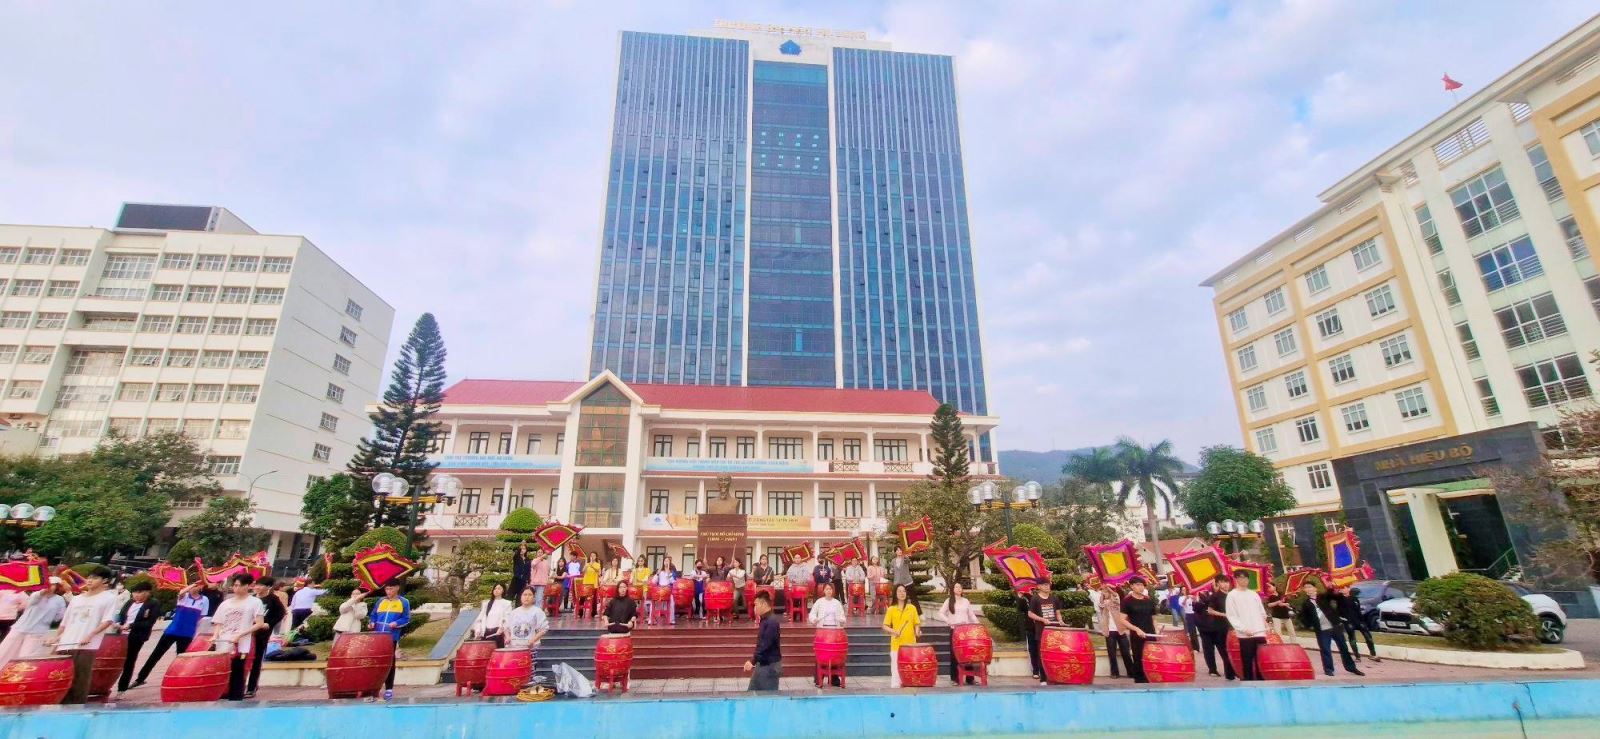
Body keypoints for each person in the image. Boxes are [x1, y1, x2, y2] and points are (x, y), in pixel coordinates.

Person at [48, 566, 119, 703]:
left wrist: (90, 636)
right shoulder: (77, 599)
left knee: (80, 678)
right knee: (60, 676)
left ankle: (76, 706)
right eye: (90, 577)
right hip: (66, 643)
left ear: (105, 581)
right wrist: (56, 637)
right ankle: (57, 704)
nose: (90, 580)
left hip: (86, 645)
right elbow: (65, 621)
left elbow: (107, 620)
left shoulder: (109, 598)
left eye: (95, 578)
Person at [132, 581, 208, 688]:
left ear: (201, 586)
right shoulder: (184, 596)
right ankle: (141, 678)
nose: (193, 588)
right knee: (156, 655)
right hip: (172, 631)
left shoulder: (204, 600)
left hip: (187, 633)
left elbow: (202, 616)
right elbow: (181, 593)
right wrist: (191, 585)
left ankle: (180, 680)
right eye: (192, 585)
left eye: (197, 586)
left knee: (181, 659)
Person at [209, 573, 266, 702]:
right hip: (224, 642)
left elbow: (259, 623)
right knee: (222, 670)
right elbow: (218, 622)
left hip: (241, 643)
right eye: (234, 585)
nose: (236, 588)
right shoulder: (226, 603)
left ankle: (235, 698)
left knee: (237, 671)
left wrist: (240, 634)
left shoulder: (255, 602)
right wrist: (215, 636)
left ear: (248, 586)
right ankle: (220, 695)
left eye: (239, 585)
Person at [1297, 583, 1364, 677]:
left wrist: (1331, 588)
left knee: (1344, 648)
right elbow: (1303, 617)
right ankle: (1328, 669)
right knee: (1325, 649)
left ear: (1315, 588)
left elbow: (1333, 596)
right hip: (1322, 630)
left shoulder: (1322, 597)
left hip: (1335, 626)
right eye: (1305, 587)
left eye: (1309, 587)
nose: (1308, 589)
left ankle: (1351, 668)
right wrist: (1310, 625)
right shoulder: (1306, 603)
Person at [0, 578, 66, 672]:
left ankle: (18, 676)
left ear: (57, 586)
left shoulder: (59, 600)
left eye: (53, 585)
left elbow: (59, 616)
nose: (50, 587)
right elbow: (33, 600)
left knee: (26, 656)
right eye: (48, 584)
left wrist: (48, 619)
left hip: (38, 632)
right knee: (5, 650)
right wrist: (43, 592)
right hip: (20, 627)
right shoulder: (36, 595)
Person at [245, 576, 287, 697]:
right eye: (256, 584)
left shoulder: (273, 599)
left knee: (256, 660)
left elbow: (281, 613)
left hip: (262, 634)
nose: (257, 587)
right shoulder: (251, 599)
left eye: (261, 585)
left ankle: (252, 687)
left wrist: (269, 623)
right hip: (247, 633)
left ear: (268, 587)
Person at [370, 579, 411, 701]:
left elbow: (406, 618)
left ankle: (389, 689)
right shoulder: (380, 601)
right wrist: (372, 622)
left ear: (397, 588)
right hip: (378, 636)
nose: (388, 591)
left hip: (391, 637)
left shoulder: (404, 602)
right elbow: (373, 615)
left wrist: (396, 623)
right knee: (376, 662)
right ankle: (374, 688)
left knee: (390, 662)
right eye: (386, 589)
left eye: (391, 589)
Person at [114, 581, 159, 693]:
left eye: (140, 592)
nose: (136, 595)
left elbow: (149, 623)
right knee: (116, 660)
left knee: (129, 661)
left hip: (136, 636)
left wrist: (131, 625)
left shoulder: (153, 604)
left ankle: (122, 688)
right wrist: (118, 624)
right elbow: (121, 615)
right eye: (134, 592)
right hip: (121, 635)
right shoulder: (129, 602)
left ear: (147, 593)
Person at [1224, 573, 1270, 681]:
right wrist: (1243, 629)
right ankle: (1248, 681)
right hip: (1245, 634)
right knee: (1247, 660)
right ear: (1236, 579)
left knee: (1260, 659)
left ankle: (1261, 681)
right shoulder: (1232, 595)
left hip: (1259, 632)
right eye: (1241, 578)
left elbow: (1261, 611)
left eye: (1246, 578)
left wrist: (1265, 622)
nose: (1244, 580)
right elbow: (1231, 615)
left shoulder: (1254, 594)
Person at [938, 582, 980, 685]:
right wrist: (948, 621)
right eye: (956, 587)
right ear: (953, 589)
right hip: (955, 630)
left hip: (966, 631)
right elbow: (940, 613)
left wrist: (978, 624)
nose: (958, 588)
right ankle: (955, 678)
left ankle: (970, 678)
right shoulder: (949, 601)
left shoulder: (966, 601)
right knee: (954, 654)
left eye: (960, 587)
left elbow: (971, 615)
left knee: (968, 654)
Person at [1116, 579, 1157, 684]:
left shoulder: (1148, 600)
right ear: (1132, 586)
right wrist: (1136, 629)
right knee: (1139, 658)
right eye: (1138, 585)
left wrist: (1156, 631)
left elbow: (1153, 618)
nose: (1141, 587)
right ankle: (1140, 682)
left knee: (1152, 657)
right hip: (1137, 635)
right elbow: (1122, 620)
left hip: (1150, 634)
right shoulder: (1127, 601)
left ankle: (1152, 679)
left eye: (1142, 585)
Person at [882, 583, 922, 688]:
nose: (902, 593)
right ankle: (895, 689)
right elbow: (885, 626)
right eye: (899, 591)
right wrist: (894, 631)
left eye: (904, 591)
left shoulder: (912, 608)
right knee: (896, 669)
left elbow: (917, 624)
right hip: (896, 645)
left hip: (910, 645)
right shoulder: (891, 609)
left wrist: (917, 632)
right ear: (895, 594)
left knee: (910, 669)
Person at [1198, 576, 1236, 680]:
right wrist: (1225, 615)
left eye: (1227, 582)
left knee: (1232, 650)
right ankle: (1227, 673)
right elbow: (1210, 611)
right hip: (1219, 628)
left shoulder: (1232, 595)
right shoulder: (1215, 596)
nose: (1225, 584)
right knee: (1224, 651)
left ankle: (1233, 671)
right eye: (1222, 582)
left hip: (1232, 627)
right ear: (1218, 583)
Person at [809, 583, 847, 687]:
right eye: (827, 589)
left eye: (830, 589)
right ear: (824, 591)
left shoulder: (837, 603)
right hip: (822, 631)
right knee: (820, 655)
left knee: (834, 655)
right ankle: (818, 679)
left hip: (835, 631)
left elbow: (843, 617)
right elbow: (812, 614)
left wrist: (841, 620)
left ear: (833, 591)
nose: (829, 591)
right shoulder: (819, 602)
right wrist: (814, 619)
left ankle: (834, 679)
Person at [503, 587, 550, 667]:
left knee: (528, 669)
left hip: (529, 647)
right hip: (514, 647)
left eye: (530, 595)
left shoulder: (537, 611)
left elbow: (544, 628)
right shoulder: (514, 612)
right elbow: (506, 627)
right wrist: (507, 637)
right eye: (524, 595)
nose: (527, 597)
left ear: (534, 598)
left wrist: (533, 640)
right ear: (520, 597)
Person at [744, 591, 781, 691]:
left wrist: (752, 661)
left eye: (756, 605)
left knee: (768, 696)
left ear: (764, 604)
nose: (755, 608)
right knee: (752, 693)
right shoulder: (765, 620)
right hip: (762, 663)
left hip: (770, 666)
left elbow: (765, 644)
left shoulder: (771, 622)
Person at [1096, 583, 1132, 679]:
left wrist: (1108, 588)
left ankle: (1131, 672)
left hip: (1120, 630)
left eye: (1106, 592)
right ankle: (1114, 672)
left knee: (1126, 652)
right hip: (1109, 631)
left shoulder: (1117, 600)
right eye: (1103, 592)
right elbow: (1101, 604)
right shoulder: (1103, 602)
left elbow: (1115, 596)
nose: (1104, 593)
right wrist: (1103, 593)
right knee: (1111, 653)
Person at [1338, 586, 1380, 663]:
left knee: (1368, 637)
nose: (1342, 590)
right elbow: (1338, 612)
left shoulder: (1354, 599)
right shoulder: (1340, 600)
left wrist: (1362, 621)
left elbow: (1358, 610)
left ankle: (1373, 654)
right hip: (1348, 622)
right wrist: (1343, 620)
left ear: (1348, 589)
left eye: (1344, 588)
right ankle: (1357, 657)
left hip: (1358, 621)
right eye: (1341, 588)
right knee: (1352, 639)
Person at [527, 547, 551, 612]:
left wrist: (546, 580)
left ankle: (537, 612)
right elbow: (533, 564)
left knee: (539, 598)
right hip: (534, 582)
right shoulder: (534, 560)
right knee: (531, 598)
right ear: (536, 554)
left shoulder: (546, 562)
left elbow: (547, 572)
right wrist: (540, 558)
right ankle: (529, 610)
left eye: (541, 552)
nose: (540, 553)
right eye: (539, 552)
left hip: (542, 583)